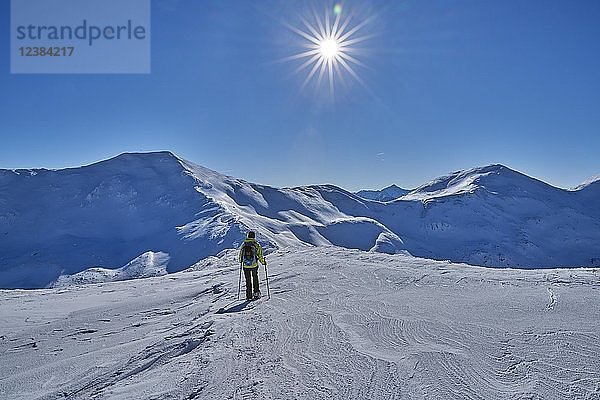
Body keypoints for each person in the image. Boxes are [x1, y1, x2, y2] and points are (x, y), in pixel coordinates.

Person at [238, 231, 266, 300]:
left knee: (248, 280)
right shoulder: (256, 244)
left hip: (245, 266)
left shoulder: (244, 244)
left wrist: (241, 261)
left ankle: (249, 296)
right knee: (255, 279)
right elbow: (260, 255)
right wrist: (263, 262)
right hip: (254, 265)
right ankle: (256, 293)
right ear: (254, 237)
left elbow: (241, 254)